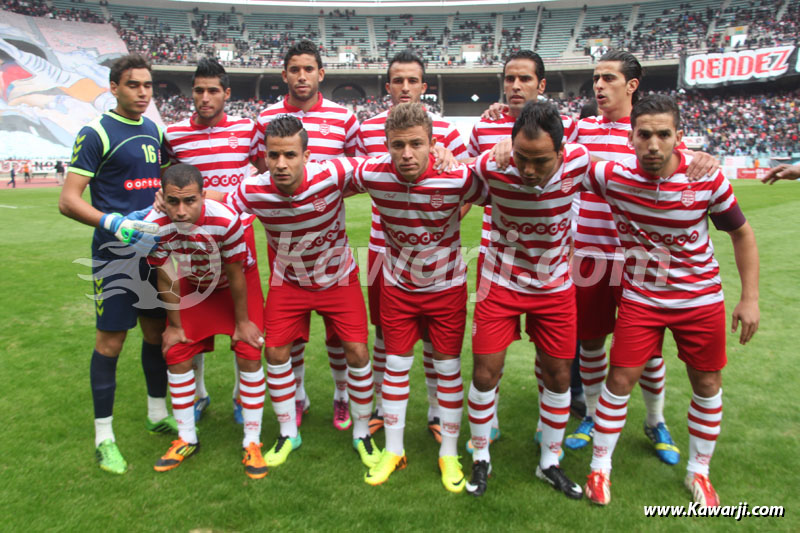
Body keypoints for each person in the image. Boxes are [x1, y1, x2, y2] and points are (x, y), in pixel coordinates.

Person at [582, 94, 759, 507]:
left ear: (679, 137)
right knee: (619, 380)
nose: (653, 144)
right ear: (631, 137)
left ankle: (699, 472)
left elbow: (742, 234)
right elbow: (557, 159)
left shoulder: (706, 179)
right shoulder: (612, 176)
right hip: (642, 298)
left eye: (663, 134)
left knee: (707, 384)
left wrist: (749, 298)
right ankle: (599, 469)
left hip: (700, 300)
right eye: (644, 134)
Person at [564, 50, 716, 463]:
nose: (598, 85)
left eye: (608, 78)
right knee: (591, 342)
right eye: (596, 77)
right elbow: (541, 137)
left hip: (641, 260)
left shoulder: (649, 131)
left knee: (648, 350)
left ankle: (654, 419)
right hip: (590, 253)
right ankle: (592, 415)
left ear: (631, 85)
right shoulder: (578, 129)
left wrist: (704, 156)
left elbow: (685, 160)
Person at [222, 115, 379, 469]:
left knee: (357, 352)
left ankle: (362, 433)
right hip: (289, 282)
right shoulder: (252, 190)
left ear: (307, 156)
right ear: (264, 155)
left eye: (290, 155)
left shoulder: (333, 173)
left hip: (338, 279)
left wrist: (440, 154)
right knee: (275, 353)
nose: (280, 164)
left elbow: (382, 167)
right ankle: (288, 432)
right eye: (273, 155)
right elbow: (218, 204)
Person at [352, 103, 487, 493]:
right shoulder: (372, 173)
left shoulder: (457, 177)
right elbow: (326, 177)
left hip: (446, 289)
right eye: (398, 145)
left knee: (447, 370)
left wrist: (482, 154)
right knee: (395, 366)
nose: (407, 154)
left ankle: (449, 452)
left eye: (416, 144)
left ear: (432, 143)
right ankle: (394, 450)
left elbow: (500, 185)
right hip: (398, 289)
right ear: (386, 146)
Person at [58, 54, 174, 475]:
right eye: (133, 85)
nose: (143, 93)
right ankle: (103, 438)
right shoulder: (96, 132)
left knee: (156, 334)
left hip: (153, 252)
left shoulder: (155, 130)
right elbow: (68, 200)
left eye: (148, 85)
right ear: (114, 87)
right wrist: (115, 224)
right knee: (110, 342)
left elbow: (163, 184)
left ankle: (157, 413)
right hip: (115, 257)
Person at [465, 101, 588, 499]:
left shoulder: (580, 163)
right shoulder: (493, 165)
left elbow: (631, 169)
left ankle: (549, 462)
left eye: (540, 161)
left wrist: (691, 157)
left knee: (559, 377)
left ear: (562, 153)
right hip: (499, 284)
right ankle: (480, 456)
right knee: (485, 374)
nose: (529, 170)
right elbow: (453, 175)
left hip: (554, 289)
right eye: (522, 158)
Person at [356, 50, 468, 441]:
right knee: (385, 333)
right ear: (387, 86)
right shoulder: (367, 128)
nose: (405, 87)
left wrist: (436, 222)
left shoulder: (447, 130)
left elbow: (462, 183)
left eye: (413, 80)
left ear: (424, 85)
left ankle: (437, 413)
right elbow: (356, 175)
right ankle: (382, 409)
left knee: (438, 341)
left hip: (433, 253)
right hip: (382, 247)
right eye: (398, 80)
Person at [255, 40, 360, 432]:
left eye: (309, 69)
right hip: (283, 246)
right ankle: (297, 397)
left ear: (321, 73)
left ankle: (342, 396)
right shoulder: (265, 118)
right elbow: (261, 173)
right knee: (289, 335)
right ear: (284, 74)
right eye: (294, 69)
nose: (302, 76)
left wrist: (318, 197)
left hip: (329, 243)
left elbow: (355, 171)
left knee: (339, 334)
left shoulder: (344, 118)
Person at [144, 164, 267, 479]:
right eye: (173, 201)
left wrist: (242, 322)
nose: (181, 211)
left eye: (190, 201)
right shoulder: (153, 225)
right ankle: (186, 438)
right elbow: (165, 275)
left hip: (234, 284)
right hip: (195, 282)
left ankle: (252, 441)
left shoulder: (225, 219)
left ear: (203, 196)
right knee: (176, 351)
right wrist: (175, 326)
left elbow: (236, 274)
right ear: (162, 198)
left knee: (250, 349)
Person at [163, 57, 266, 425]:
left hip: (238, 235)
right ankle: (199, 394)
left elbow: (265, 175)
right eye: (198, 90)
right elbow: (167, 180)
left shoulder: (248, 128)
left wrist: (237, 200)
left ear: (227, 93)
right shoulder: (173, 134)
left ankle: (241, 396)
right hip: (190, 242)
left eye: (212, 91)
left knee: (246, 326)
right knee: (192, 324)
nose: (204, 98)